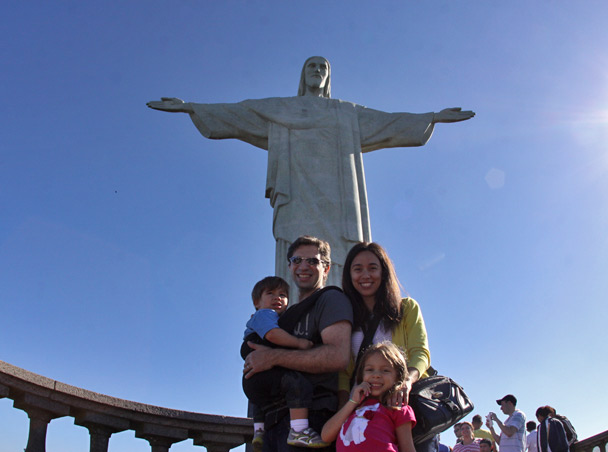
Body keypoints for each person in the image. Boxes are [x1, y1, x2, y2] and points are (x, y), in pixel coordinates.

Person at [147, 56, 475, 295]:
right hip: (297, 191)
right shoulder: (282, 108)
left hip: (337, 196)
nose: (317, 72)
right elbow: (240, 113)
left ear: (328, 77)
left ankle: (345, 312)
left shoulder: (345, 112)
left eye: (323, 68)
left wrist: (432, 117)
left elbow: (386, 122)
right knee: (297, 249)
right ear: (303, 75)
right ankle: (296, 309)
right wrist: (191, 107)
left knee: (343, 255)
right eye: (311, 67)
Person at [244, 236, 353, 451]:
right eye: (297, 260)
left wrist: (273, 357)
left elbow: (338, 356)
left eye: (312, 261)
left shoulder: (330, 300)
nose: (304, 266)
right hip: (271, 421)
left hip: (311, 418)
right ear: (290, 266)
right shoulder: (283, 314)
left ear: (327, 268)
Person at [339, 242, 433, 451]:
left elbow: (421, 353)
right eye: (358, 269)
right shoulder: (346, 319)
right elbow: (345, 371)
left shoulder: (407, 308)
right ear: (349, 274)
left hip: (404, 408)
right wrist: (345, 408)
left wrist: (405, 383)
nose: (365, 275)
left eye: (373, 268)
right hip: (364, 416)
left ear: (384, 271)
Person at [241, 276, 326, 450]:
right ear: (257, 302)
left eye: (282, 294)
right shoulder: (265, 314)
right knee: (297, 384)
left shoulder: (271, 317)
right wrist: (299, 343)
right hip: (261, 375)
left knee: (262, 402)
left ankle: (259, 432)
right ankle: (299, 429)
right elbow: (272, 335)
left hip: (254, 380)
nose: (277, 297)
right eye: (270, 293)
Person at [321, 342, 417, 452]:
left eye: (385, 370)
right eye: (369, 370)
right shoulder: (354, 407)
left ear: (398, 377)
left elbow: (408, 448)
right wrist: (352, 402)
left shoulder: (397, 408)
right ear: (361, 375)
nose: (376, 375)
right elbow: (326, 436)